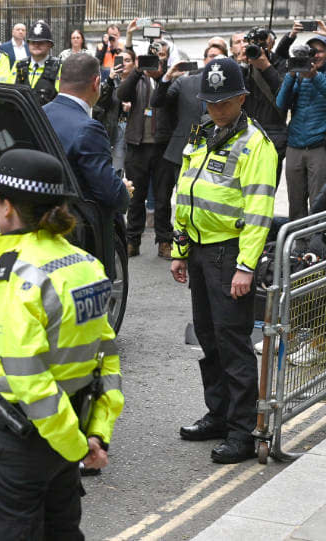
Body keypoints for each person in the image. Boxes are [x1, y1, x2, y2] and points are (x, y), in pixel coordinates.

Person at [0, 148, 123, 540]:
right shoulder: (84, 264)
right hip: (70, 424)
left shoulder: (14, 275)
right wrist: (94, 434)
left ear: (7, 208)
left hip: (21, 438)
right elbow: (107, 357)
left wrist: (74, 446)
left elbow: (29, 379)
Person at [171, 58, 276, 464]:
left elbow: (258, 211)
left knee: (233, 343)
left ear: (242, 99)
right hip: (198, 250)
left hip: (228, 252)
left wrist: (245, 267)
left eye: (224, 102)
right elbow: (184, 193)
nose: (216, 109)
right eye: (210, 102)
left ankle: (242, 430)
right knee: (208, 338)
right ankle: (218, 415)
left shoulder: (256, 145)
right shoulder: (202, 134)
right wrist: (180, 250)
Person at [150, 44, 226, 240]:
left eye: (220, 58)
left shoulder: (230, 90)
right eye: (211, 56)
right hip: (183, 151)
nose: (215, 61)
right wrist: (167, 76)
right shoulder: (185, 83)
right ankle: (181, 238)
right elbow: (157, 101)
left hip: (215, 150)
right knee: (183, 198)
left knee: (208, 199)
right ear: (205, 60)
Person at [44, 53, 131, 213]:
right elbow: (111, 195)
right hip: (75, 225)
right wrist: (124, 190)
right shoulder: (90, 129)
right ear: (96, 83)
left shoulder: (41, 113)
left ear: (60, 81)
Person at [117, 40, 175, 258]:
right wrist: (137, 71)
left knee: (162, 198)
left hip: (162, 146)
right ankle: (132, 240)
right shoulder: (138, 80)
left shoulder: (170, 81)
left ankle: (164, 241)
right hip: (137, 146)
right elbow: (121, 95)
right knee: (135, 197)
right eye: (153, 56)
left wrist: (163, 77)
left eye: (161, 56)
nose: (157, 60)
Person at [276, 34, 326, 221]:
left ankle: (317, 245)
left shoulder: (321, 77)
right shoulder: (297, 77)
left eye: (319, 51)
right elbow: (281, 103)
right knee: (295, 203)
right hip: (294, 145)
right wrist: (291, 73)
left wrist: (314, 76)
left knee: (318, 203)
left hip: (318, 147)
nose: (315, 56)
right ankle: (298, 244)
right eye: (310, 52)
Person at [241, 28, 286, 187]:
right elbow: (237, 98)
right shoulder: (244, 66)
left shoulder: (281, 62)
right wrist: (241, 65)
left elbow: (284, 94)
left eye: (263, 43)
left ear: (271, 43)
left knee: (267, 188)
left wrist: (266, 66)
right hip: (246, 134)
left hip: (273, 135)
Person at [94, 48, 134, 174]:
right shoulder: (110, 81)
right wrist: (110, 80)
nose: (124, 64)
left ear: (134, 64)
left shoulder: (140, 82)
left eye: (128, 60)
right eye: (121, 60)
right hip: (114, 128)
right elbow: (100, 103)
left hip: (133, 128)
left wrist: (132, 108)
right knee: (116, 167)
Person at [7, 20, 61, 105]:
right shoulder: (19, 66)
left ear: (49, 45)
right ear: (28, 44)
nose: (36, 45)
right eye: (33, 42)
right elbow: (8, 93)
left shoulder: (58, 67)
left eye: (41, 42)